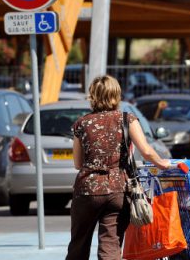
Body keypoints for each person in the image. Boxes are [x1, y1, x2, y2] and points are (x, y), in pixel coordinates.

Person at [67, 75, 171, 260]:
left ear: (93, 96)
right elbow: (146, 151)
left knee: (79, 244)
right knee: (110, 245)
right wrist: (163, 163)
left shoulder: (82, 124)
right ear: (117, 94)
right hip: (117, 190)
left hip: (87, 190)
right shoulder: (127, 119)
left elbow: (77, 163)